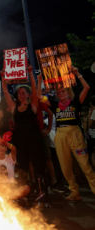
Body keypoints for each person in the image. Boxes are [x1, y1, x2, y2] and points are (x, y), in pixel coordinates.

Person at [2, 66, 48, 202]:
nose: (22, 94)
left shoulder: (32, 105)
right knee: (23, 167)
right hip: (20, 141)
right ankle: (25, 192)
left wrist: (29, 73)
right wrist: (3, 79)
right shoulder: (14, 107)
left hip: (34, 140)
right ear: (17, 95)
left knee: (38, 165)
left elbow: (34, 90)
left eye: (24, 92)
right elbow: (5, 91)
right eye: (20, 93)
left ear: (27, 95)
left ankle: (41, 192)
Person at [50, 66, 95, 201]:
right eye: (58, 92)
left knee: (85, 164)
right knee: (65, 166)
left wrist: (77, 74)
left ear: (68, 92)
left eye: (63, 91)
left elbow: (86, 88)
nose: (60, 94)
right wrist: (39, 78)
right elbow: (39, 97)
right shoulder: (55, 105)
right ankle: (74, 191)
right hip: (60, 135)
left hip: (75, 133)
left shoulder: (75, 102)